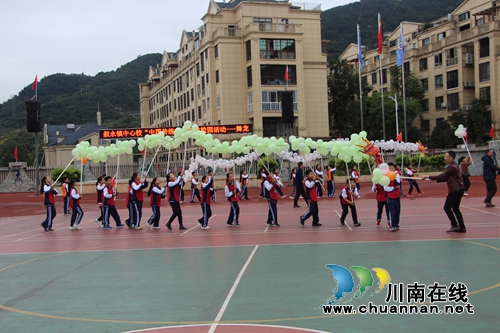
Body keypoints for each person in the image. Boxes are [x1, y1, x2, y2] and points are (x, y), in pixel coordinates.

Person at [422, 151, 466, 233]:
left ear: (451, 157)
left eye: (446, 156)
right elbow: (447, 177)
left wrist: (429, 176)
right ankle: (462, 227)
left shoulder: (451, 167)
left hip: (455, 190)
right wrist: (432, 179)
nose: (444, 158)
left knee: (447, 207)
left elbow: (443, 175)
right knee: (456, 208)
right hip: (459, 189)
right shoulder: (454, 165)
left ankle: (454, 225)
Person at [384, 163, 401, 231]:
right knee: (392, 211)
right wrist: (394, 188)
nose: (391, 169)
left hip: (397, 196)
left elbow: (399, 183)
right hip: (390, 197)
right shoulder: (385, 177)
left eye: (392, 168)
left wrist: (394, 179)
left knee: (397, 211)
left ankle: (396, 224)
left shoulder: (396, 175)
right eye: (390, 168)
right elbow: (386, 188)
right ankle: (392, 225)